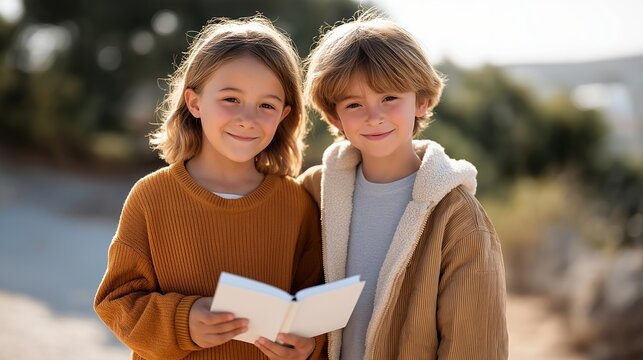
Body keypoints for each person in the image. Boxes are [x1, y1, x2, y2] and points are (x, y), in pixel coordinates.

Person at [95, 15, 325, 360]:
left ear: (283, 115)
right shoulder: (151, 198)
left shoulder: (297, 205)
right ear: (195, 102)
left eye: (266, 105)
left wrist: (309, 347)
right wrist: (182, 322)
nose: (248, 117)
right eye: (231, 99)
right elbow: (117, 303)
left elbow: (314, 312)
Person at [299, 9, 508, 360]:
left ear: (421, 100)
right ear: (335, 116)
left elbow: (475, 345)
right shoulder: (312, 191)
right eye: (354, 104)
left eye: (389, 98)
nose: (374, 116)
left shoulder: (456, 216)